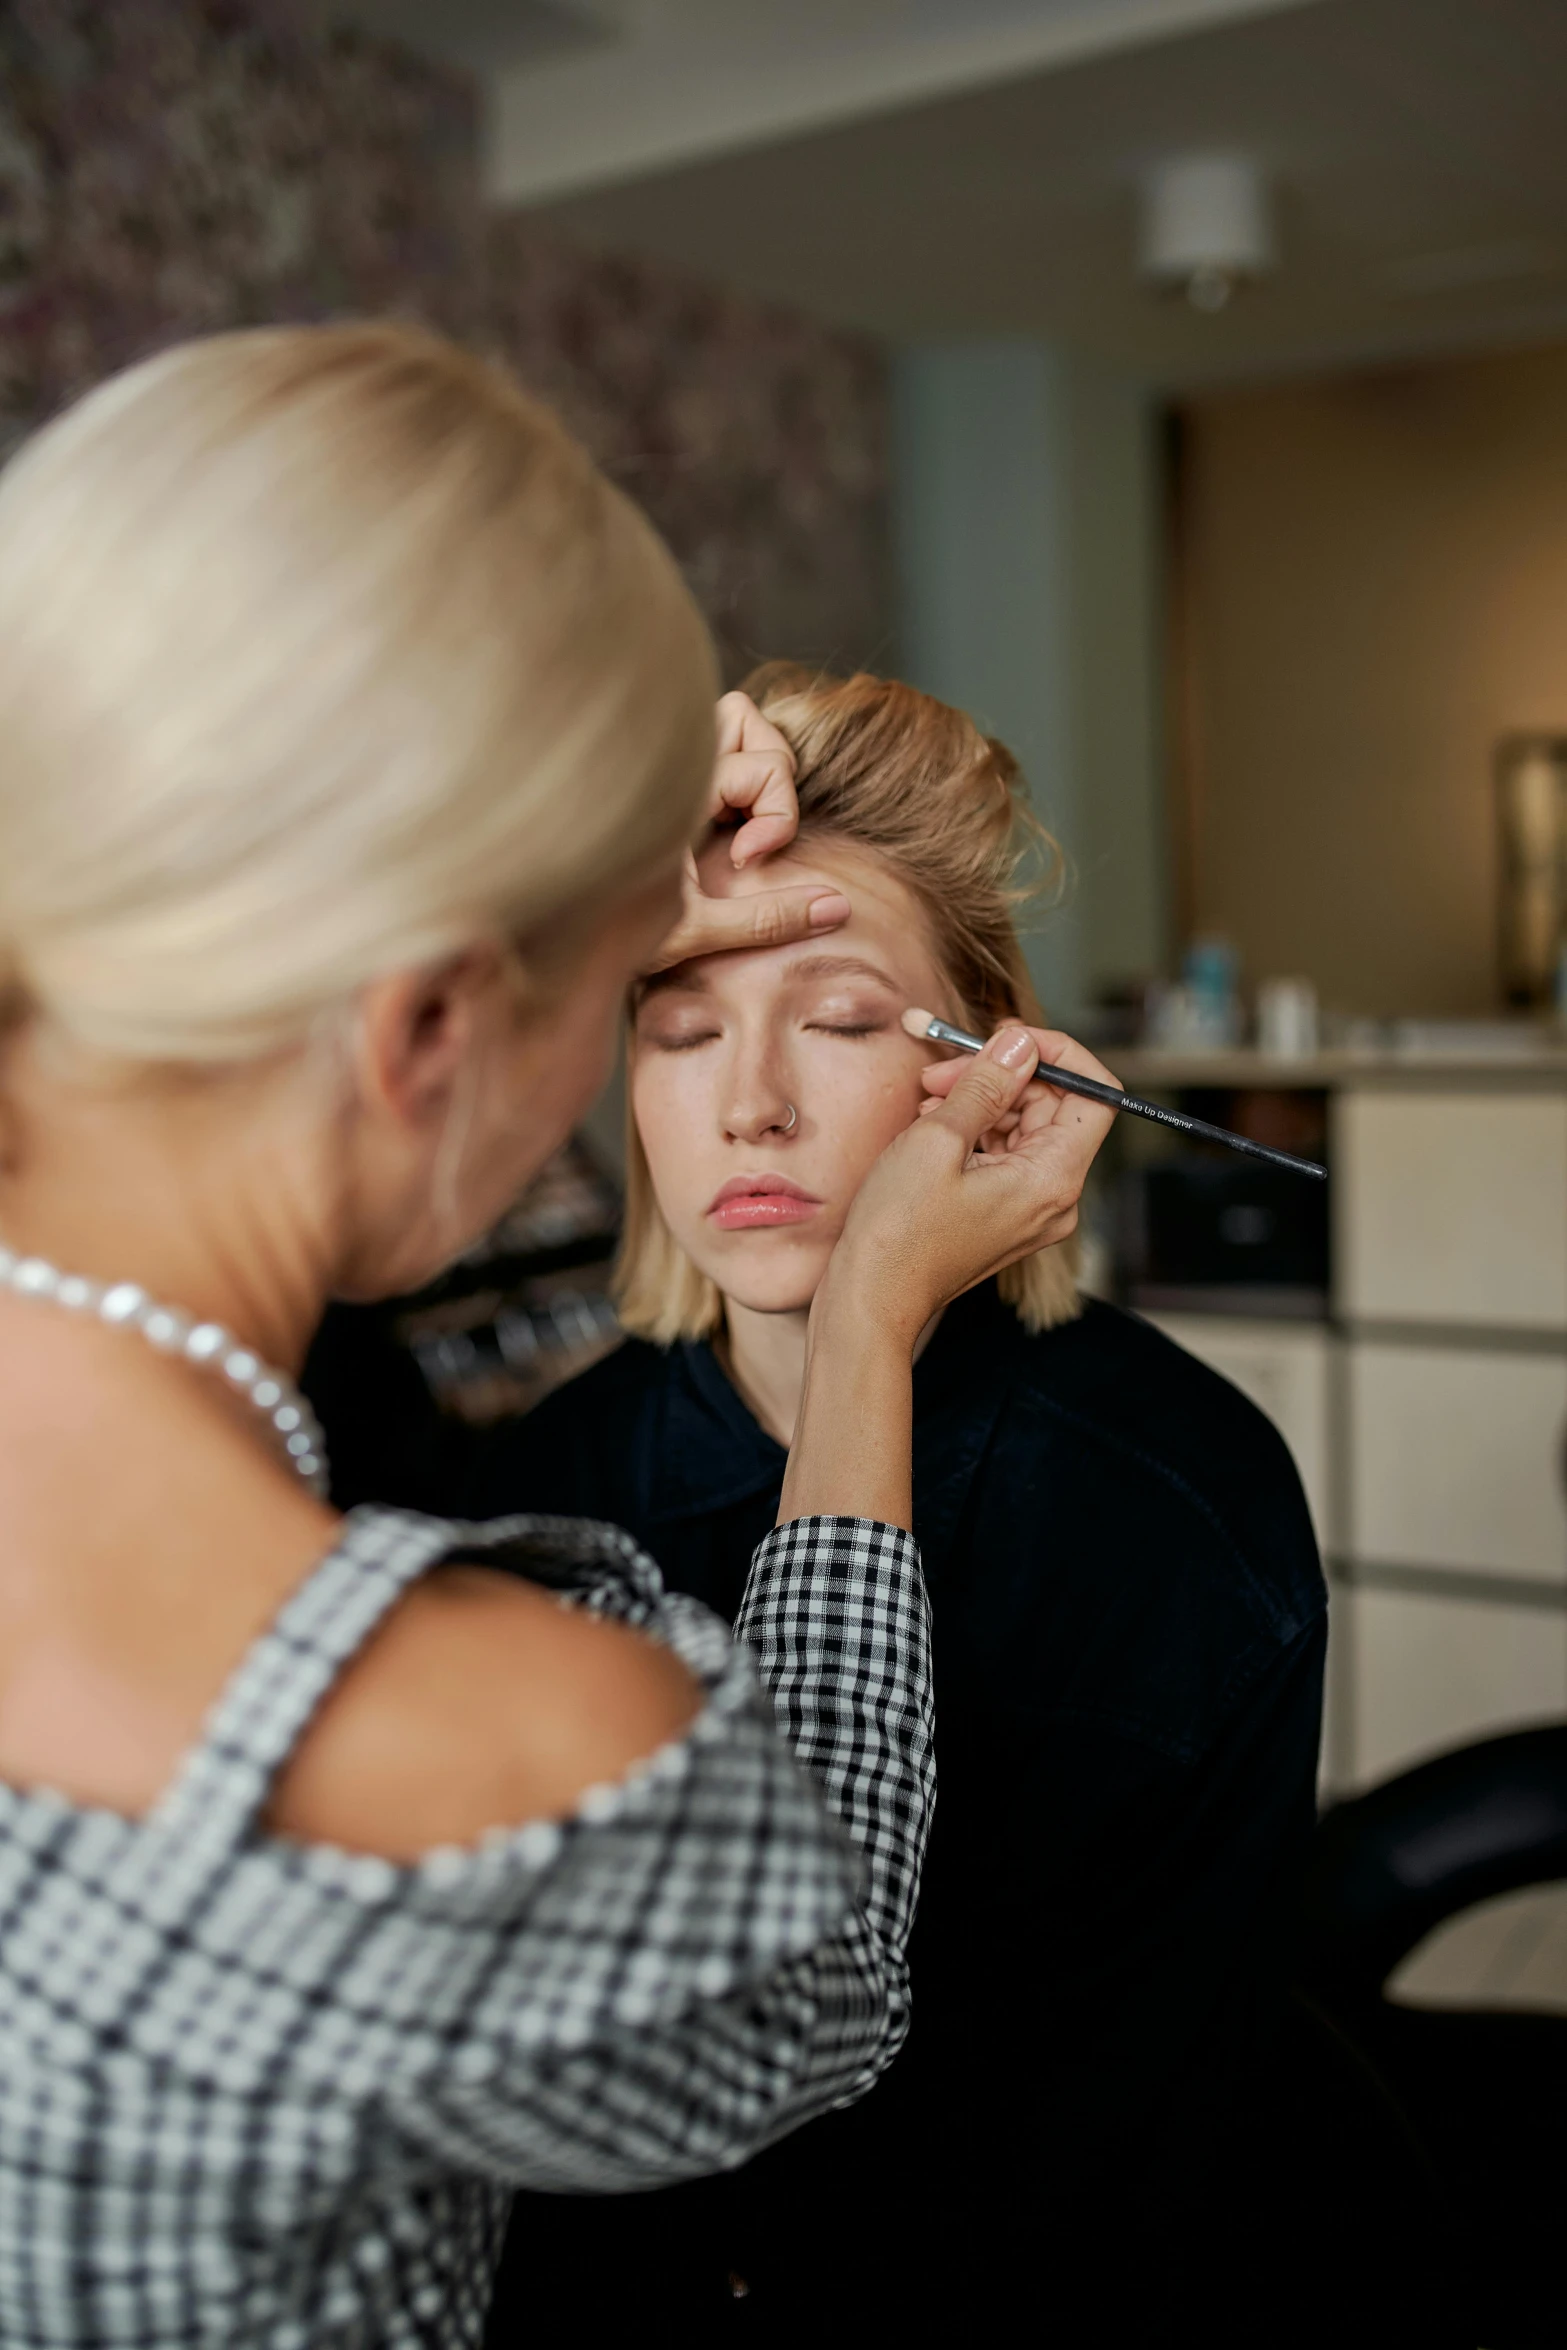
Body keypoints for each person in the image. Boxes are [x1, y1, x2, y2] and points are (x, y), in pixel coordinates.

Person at [0, 333, 1115, 2347]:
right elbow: (828, 1964)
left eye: (839, 1017)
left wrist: (549, 882)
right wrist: (866, 1320)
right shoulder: (468, 1743)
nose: (735, 1088)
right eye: (650, 1007)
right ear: (425, 1026)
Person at [458, 665, 1329, 2335]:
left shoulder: (1173, 1511)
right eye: (680, 1024)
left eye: (846, 1018)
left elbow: (1127, 2159)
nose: (748, 1101)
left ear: (996, 1076)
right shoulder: (546, 1499)